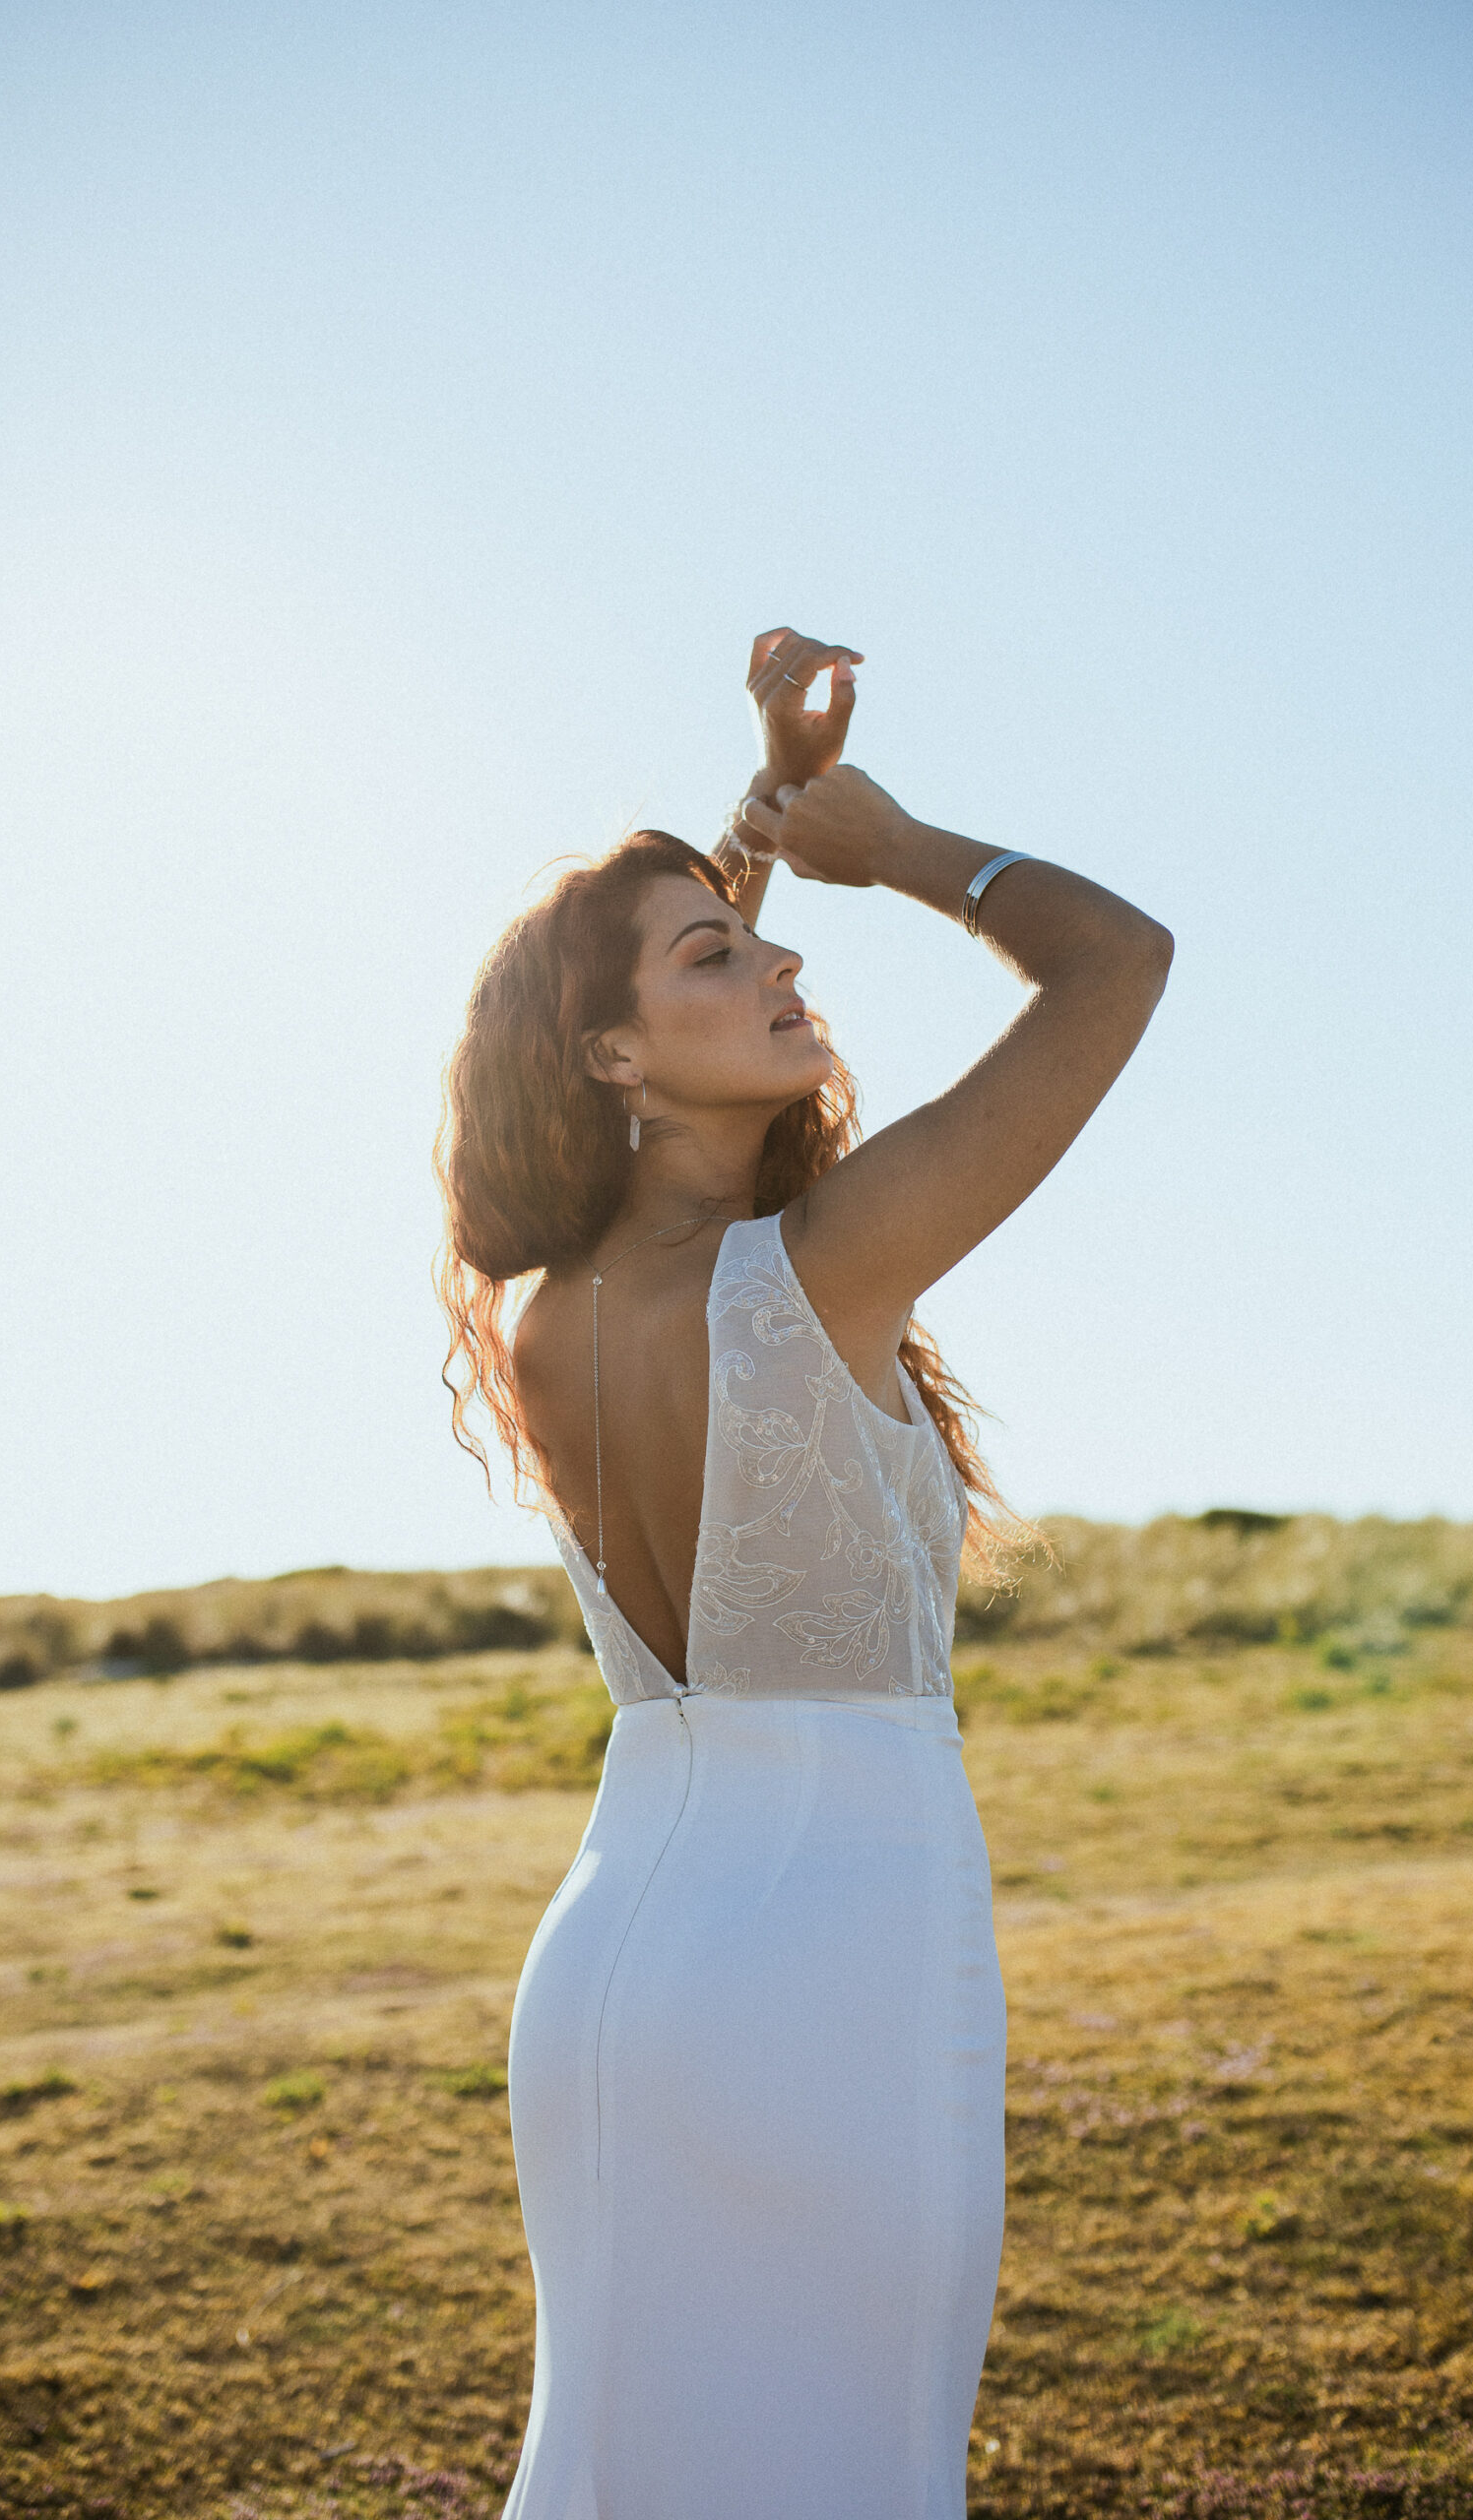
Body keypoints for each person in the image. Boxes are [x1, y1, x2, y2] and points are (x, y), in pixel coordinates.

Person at [434, 628, 1173, 2520]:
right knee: (845, 2463)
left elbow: (644, 1037)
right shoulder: (822, 1271)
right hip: (836, 1947)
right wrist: (905, 847)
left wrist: (757, 823)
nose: (782, 967)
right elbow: (1123, 961)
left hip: (619, 1956)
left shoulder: (542, 1314)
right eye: (726, 959)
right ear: (611, 1053)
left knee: (624, 2470)